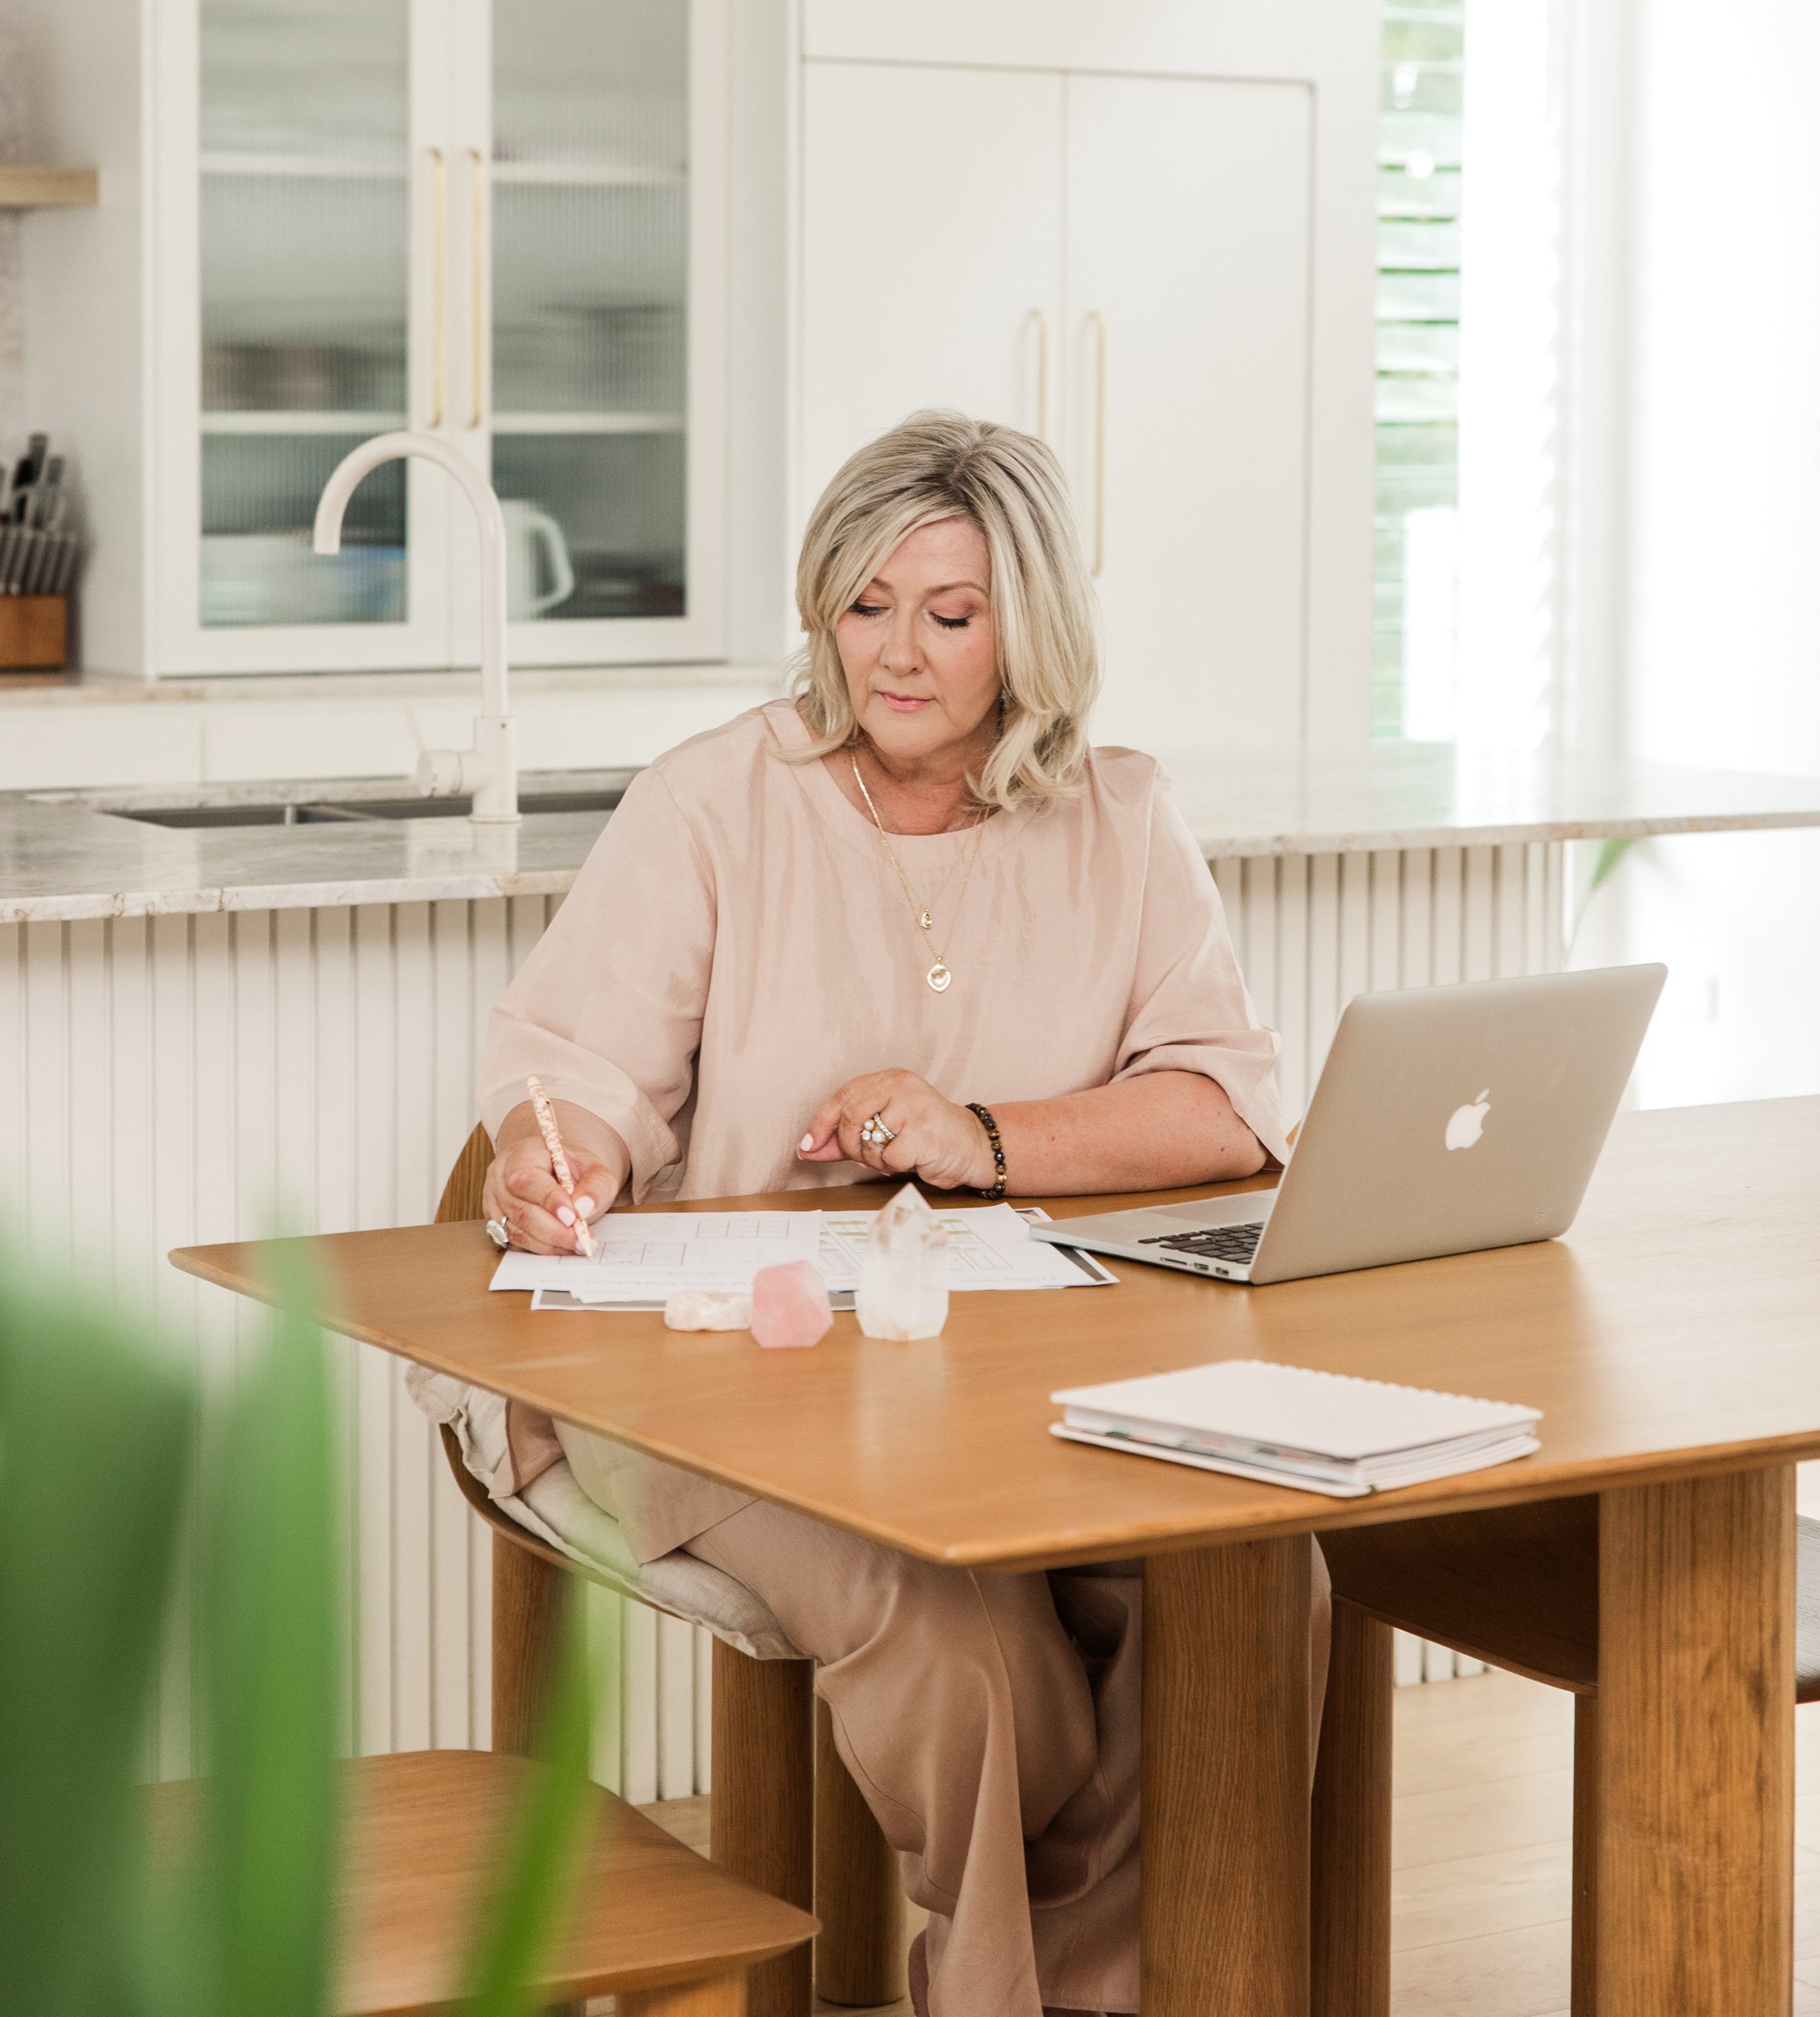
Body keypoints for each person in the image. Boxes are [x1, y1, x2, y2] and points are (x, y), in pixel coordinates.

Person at [476, 411, 1325, 2017]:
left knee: (1246, 1581)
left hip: (1021, 1388)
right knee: (964, 1643)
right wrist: (559, 1157)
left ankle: (1083, 1991)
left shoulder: (1119, 817)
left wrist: (982, 1136)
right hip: (721, 1385)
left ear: (1032, 630)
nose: (898, 655)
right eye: (865, 608)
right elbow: (573, 1073)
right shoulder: (714, 802)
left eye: (949, 615)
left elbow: (1218, 1106)